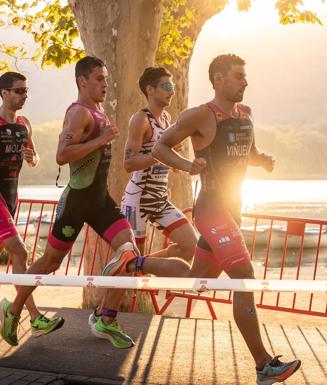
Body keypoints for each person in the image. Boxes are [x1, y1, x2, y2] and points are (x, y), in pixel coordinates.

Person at [105, 53, 300, 384]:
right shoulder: (200, 115)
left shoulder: (245, 116)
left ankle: (134, 265)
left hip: (233, 209)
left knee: (197, 275)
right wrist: (187, 166)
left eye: (245, 76)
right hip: (212, 209)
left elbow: (245, 153)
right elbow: (161, 147)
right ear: (219, 80)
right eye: (239, 76)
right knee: (243, 275)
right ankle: (263, 364)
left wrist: (261, 160)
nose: (245, 82)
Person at [0, 56, 140, 348]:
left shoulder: (98, 110)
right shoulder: (78, 113)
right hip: (76, 202)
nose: (105, 84)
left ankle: (107, 319)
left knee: (130, 254)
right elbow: (62, 155)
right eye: (99, 79)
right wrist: (100, 141)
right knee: (50, 262)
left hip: (100, 201)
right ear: (82, 81)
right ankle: (13, 312)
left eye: (106, 79)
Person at [0, 72, 63, 335]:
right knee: (19, 252)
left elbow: (35, 157)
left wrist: (32, 158)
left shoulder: (25, 123)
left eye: (26, 91)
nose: (24, 96)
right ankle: (31, 316)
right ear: (4, 93)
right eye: (19, 91)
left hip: (11, 199)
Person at [120, 67, 197, 260]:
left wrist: (171, 160)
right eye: (167, 86)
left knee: (191, 246)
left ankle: (142, 267)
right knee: (128, 267)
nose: (172, 91)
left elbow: (162, 159)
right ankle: (132, 267)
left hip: (159, 199)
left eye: (173, 86)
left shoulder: (166, 119)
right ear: (150, 89)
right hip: (138, 199)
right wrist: (160, 154)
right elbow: (128, 163)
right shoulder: (141, 119)